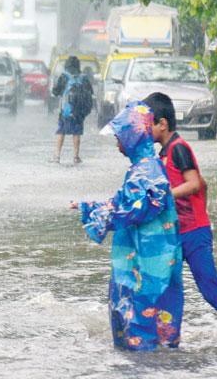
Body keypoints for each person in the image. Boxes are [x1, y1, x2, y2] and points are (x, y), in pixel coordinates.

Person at [145, 92, 217, 346]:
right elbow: (204, 185)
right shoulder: (163, 153)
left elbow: (195, 183)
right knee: (166, 289)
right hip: (177, 233)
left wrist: (176, 203)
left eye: (148, 125)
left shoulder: (179, 149)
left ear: (162, 124)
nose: (145, 131)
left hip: (193, 234)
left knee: (211, 290)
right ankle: (167, 342)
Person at [74, 101, 183, 351]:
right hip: (145, 255)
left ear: (134, 136)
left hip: (148, 259)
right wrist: (89, 207)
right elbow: (123, 203)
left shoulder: (148, 171)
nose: (117, 144)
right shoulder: (142, 168)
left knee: (142, 316)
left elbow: (136, 209)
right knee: (146, 316)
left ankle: (143, 371)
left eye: (120, 137)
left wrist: (99, 217)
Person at [51, 56, 93, 164]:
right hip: (79, 112)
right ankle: (76, 156)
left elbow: (55, 92)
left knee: (61, 131)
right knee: (77, 133)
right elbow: (90, 93)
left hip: (66, 111)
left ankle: (57, 156)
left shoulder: (64, 77)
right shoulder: (84, 78)